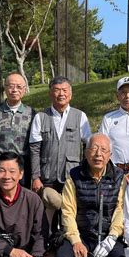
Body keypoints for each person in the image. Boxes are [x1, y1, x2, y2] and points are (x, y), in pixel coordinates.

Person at [29, 76, 91, 235]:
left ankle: (66, 247)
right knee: (45, 217)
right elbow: (35, 149)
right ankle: (46, 247)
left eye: (65, 90)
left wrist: (85, 173)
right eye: (57, 90)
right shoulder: (41, 117)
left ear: (70, 94)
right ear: (50, 93)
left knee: (69, 215)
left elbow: (88, 146)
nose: (61, 94)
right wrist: (35, 176)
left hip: (71, 176)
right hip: (47, 176)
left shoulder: (80, 116)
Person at [0, 72, 36, 189]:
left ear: (24, 89)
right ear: (5, 88)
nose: (15, 90)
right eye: (11, 86)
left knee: (21, 202)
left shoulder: (31, 113)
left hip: (21, 164)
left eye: (19, 87)